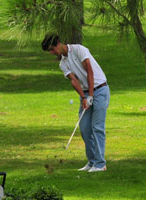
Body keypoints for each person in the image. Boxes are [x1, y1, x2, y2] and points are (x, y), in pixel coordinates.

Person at [42, 34, 110, 172]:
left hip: (100, 89)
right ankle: (92, 162)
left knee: (97, 127)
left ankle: (100, 164)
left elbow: (89, 71)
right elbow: (74, 80)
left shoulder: (79, 50)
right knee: (85, 128)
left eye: (51, 49)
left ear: (58, 44)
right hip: (85, 93)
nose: (51, 53)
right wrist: (84, 97)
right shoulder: (63, 63)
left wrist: (91, 95)